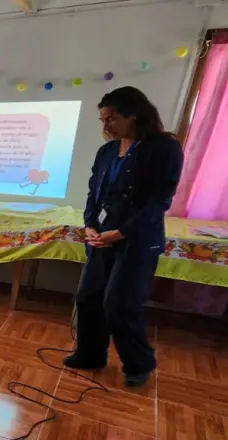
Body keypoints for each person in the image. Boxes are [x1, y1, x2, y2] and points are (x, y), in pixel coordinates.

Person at [65, 86, 184, 387]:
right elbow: (95, 193)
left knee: (119, 304)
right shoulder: (107, 151)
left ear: (134, 115)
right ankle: (90, 354)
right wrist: (90, 224)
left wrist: (122, 232)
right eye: (102, 120)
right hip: (102, 238)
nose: (105, 126)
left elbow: (159, 201)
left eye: (111, 119)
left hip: (137, 241)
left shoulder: (163, 149)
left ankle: (138, 364)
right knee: (88, 297)